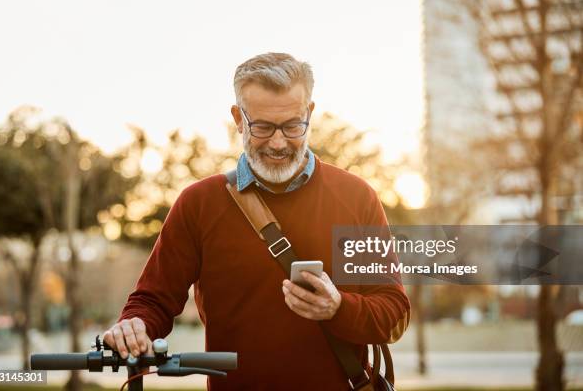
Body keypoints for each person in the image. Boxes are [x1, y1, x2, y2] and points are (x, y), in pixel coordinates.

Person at [103, 52, 410, 390]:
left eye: (293, 125)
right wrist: (133, 326)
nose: (278, 143)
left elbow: (393, 314)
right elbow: (153, 301)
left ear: (309, 113)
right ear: (238, 118)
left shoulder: (356, 198)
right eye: (262, 127)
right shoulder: (198, 204)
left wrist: (338, 308)